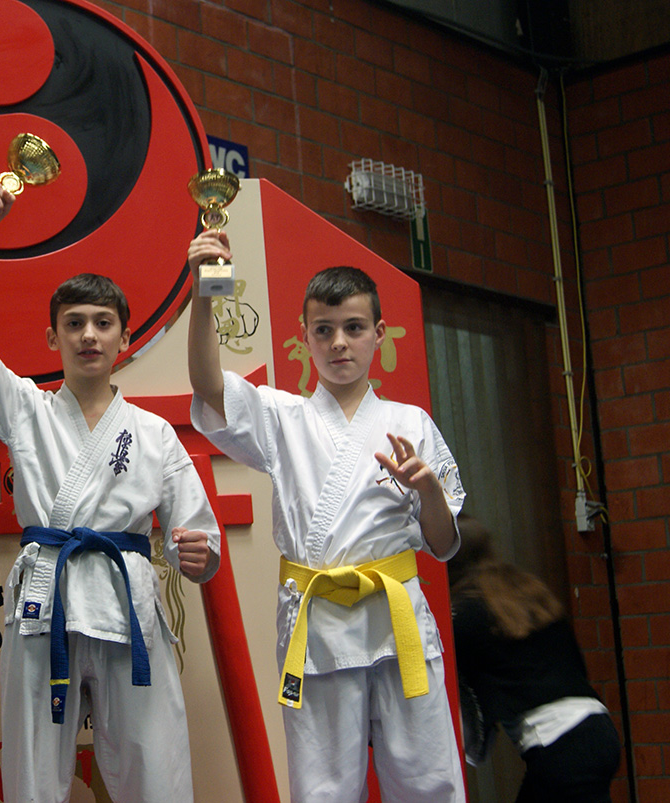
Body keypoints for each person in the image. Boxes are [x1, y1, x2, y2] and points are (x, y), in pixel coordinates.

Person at [0, 185, 222, 803]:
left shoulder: (153, 434)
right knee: (34, 773)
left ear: (125, 338)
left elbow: (198, 536)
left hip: (127, 601)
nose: (88, 335)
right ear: (53, 338)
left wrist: (198, 555)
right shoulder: (26, 411)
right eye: (74, 324)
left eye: (102, 323)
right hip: (47, 598)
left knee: (155, 766)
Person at [186, 229, 467, 802]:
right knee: (322, 789)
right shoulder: (282, 416)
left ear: (379, 334)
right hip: (316, 627)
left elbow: (443, 546)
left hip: (397, 622)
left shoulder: (411, 423)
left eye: (354, 328)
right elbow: (209, 386)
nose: (339, 343)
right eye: (324, 330)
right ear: (305, 336)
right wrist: (204, 290)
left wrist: (429, 491)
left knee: (428, 781)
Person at [449, 516, 620, 802]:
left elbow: (469, 719)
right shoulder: (526, 590)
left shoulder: (464, 615)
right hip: (599, 728)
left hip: (559, 745)